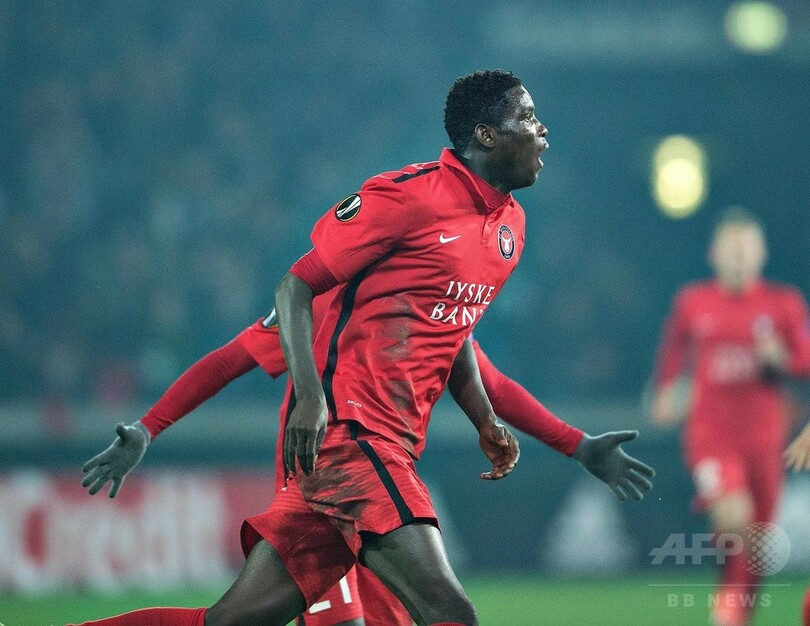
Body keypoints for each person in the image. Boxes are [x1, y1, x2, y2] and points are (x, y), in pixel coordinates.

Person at [72, 69, 652, 626]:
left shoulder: (509, 230)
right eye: (528, 116)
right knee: (450, 613)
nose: (542, 128)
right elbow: (252, 336)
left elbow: (460, 345)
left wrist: (539, 435)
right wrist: (155, 426)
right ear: (486, 134)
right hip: (351, 444)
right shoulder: (386, 223)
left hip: (379, 454)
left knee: (233, 621)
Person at [82, 291, 655, 626]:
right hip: (325, 489)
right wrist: (149, 427)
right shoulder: (328, 298)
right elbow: (231, 359)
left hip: (380, 493)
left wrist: (577, 444)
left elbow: (491, 384)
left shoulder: (436, 307)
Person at [650, 207, 810, 626]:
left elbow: (804, 360)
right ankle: (728, 610)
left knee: (756, 542)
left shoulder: (784, 304)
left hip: (765, 439)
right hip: (711, 437)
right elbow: (672, 353)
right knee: (734, 517)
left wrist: (782, 360)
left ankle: (734, 608)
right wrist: (665, 389)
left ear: (762, 253)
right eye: (731, 248)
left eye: (746, 248)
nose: (739, 256)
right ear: (714, 254)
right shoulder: (693, 302)